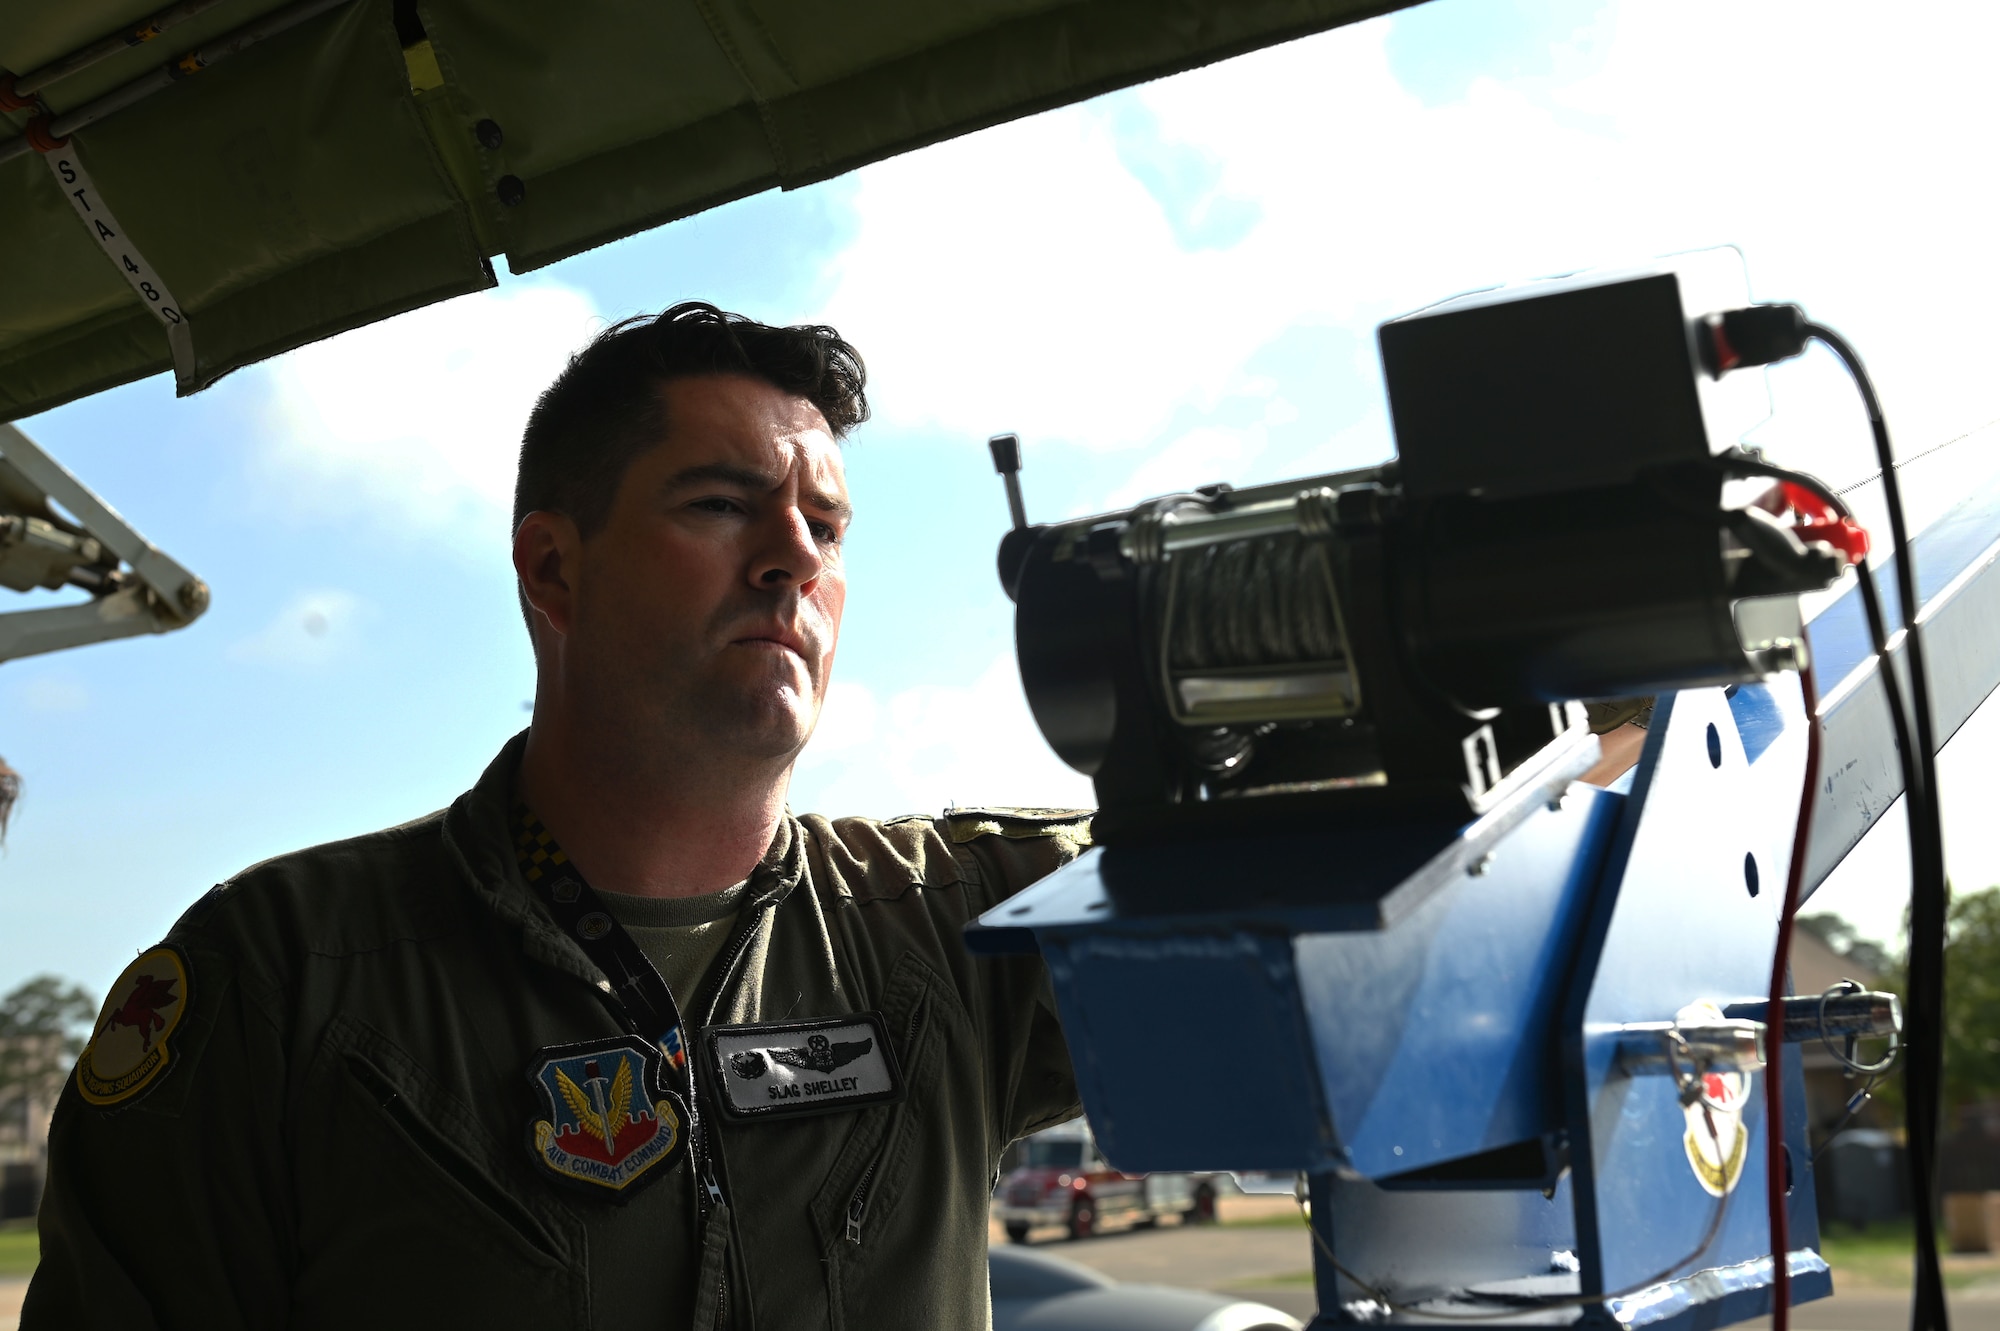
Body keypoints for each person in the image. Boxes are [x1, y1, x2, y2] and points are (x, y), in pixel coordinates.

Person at [25, 304, 1088, 1330]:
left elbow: (1238, 904)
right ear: (552, 567)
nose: (795, 559)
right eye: (720, 504)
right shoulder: (282, 978)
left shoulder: (954, 927)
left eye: (825, 525)